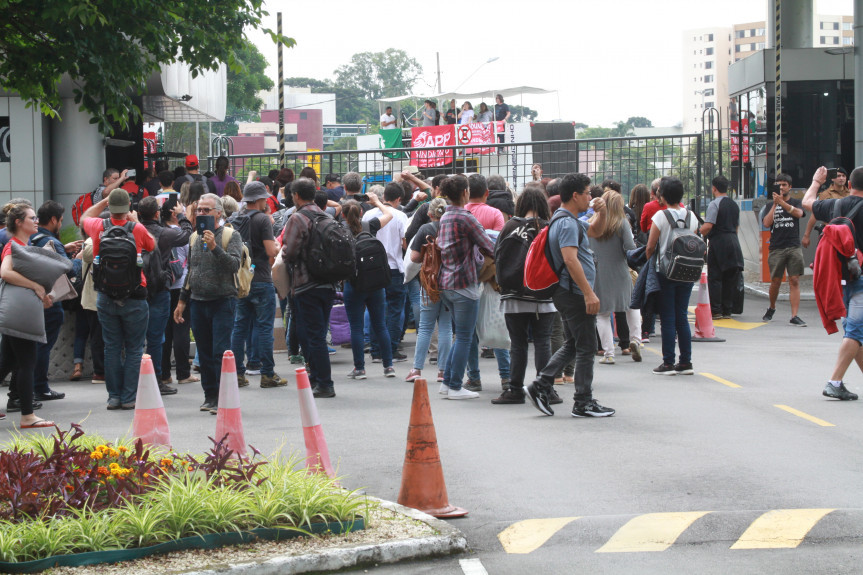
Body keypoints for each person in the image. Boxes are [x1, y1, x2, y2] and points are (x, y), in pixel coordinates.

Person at [525, 173, 614, 418]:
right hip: (574, 293)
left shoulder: (568, 219)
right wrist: (588, 293)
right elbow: (570, 259)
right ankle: (582, 401)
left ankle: (541, 384)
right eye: (587, 193)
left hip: (569, 292)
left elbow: (596, 231)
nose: (590, 197)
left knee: (575, 343)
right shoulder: (566, 223)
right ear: (575, 196)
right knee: (587, 346)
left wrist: (603, 212)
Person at [81, 190, 155, 410]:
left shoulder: (98, 226)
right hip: (134, 295)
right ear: (128, 207)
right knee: (134, 348)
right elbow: (152, 245)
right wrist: (135, 220)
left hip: (105, 295)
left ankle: (113, 397)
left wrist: (103, 201)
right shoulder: (137, 228)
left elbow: (84, 217)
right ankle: (129, 397)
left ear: (109, 207)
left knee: (112, 347)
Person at [173, 194, 242, 413]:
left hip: (223, 301)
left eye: (206, 210)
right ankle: (209, 396)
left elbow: (233, 265)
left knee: (220, 352)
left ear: (218, 213)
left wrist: (214, 247)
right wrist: (182, 301)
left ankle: (223, 397)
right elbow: (191, 271)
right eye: (199, 210)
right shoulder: (194, 237)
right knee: (204, 350)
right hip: (198, 301)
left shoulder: (231, 235)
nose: (201, 213)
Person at [493, 186, 558, 405]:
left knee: (518, 344)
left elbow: (497, 256)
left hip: (513, 295)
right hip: (544, 296)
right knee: (543, 342)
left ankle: (515, 389)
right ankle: (545, 388)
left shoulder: (510, 226)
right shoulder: (549, 228)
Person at [803, 165, 863, 401]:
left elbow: (807, 203)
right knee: (855, 331)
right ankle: (834, 382)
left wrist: (817, 182)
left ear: (849, 185)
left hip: (840, 278)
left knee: (854, 332)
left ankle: (837, 381)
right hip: (861, 277)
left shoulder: (835, 205)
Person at [437, 175, 496, 399]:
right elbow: (488, 246)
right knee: (464, 336)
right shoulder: (466, 218)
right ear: (464, 193)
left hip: (447, 284)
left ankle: (448, 383)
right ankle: (454, 386)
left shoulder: (446, 216)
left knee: (459, 335)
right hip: (464, 283)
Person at [281, 178, 338, 398]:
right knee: (319, 332)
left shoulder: (298, 217)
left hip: (307, 284)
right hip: (328, 282)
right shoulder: (326, 215)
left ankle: (324, 383)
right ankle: (317, 380)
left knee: (313, 336)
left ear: (296, 195)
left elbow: (290, 252)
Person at [0, 205, 55, 428]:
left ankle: (27, 415)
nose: (36, 220)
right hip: (19, 313)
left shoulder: (23, 245)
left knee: (7, 362)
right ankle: (27, 416)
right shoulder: (14, 246)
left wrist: (40, 293)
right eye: (32, 218)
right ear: (19, 223)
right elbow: (5, 272)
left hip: (18, 311)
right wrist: (36, 287)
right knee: (26, 362)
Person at [230, 182, 287, 389]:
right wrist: (278, 245)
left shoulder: (235, 218)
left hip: (241, 280)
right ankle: (267, 374)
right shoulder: (263, 219)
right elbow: (271, 251)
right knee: (264, 327)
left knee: (240, 326)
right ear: (260, 200)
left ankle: (237, 373)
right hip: (261, 277)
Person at [138, 196, 193, 395]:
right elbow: (187, 235)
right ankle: (157, 379)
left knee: (136, 339)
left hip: (138, 288)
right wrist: (182, 216)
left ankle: (136, 381)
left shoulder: (134, 231)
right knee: (157, 337)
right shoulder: (165, 234)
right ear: (156, 214)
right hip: (161, 287)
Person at [28, 201, 81, 405]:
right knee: (43, 345)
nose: (61, 223)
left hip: (32, 299)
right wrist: (77, 258)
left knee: (33, 345)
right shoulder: (51, 242)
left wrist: (63, 249)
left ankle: (30, 387)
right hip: (50, 301)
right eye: (60, 220)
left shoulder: (31, 237)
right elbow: (69, 270)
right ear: (53, 220)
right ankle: (40, 387)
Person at [646, 177, 697, 376]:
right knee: (681, 316)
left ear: (663, 195)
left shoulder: (661, 216)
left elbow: (651, 246)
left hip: (666, 271)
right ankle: (686, 362)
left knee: (667, 317)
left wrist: (648, 261)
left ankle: (668, 362)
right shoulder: (691, 216)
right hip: (687, 271)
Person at [463, 173, 509, 391]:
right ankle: (506, 377)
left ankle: (474, 377)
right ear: (487, 193)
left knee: (469, 330)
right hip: (492, 278)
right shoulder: (496, 213)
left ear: (466, 193)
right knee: (497, 324)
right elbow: (500, 245)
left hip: (467, 277)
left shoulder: (461, 214)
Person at [342, 194, 396, 379]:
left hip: (354, 283)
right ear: (361, 213)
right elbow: (389, 215)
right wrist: (378, 202)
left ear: (343, 215)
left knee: (356, 327)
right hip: (375, 282)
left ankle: (360, 368)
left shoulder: (341, 229)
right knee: (380, 325)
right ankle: (388, 366)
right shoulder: (369, 225)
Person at [590, 191, 642, 364]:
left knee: (603, 314)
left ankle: (608, 353)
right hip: (621, 270)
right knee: (631, 307)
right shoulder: (622, 223)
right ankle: (635, 340)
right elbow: (630, 248)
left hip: (599, 272)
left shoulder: (591, 223)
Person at [405, 198, 452, 384]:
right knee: (446, 327)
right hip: (449, 282)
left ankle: (416, 369)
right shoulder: (451, 228)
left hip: (429, 283)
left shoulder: (425, 229)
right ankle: (443, 371)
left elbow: (415, 257)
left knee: (425, 326)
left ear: (429, 214)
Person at [363, 182, 409, 363]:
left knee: (376, 310)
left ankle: (375, 350)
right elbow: (405, 244)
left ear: (383, 197)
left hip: (373, 268)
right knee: (395, 310)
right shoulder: (400, 216)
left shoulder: (368, 214)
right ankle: (391, 349)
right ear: (398, 199)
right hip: (394, 267)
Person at [761, 173, 807, 326]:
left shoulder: (796, 202)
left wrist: (783, 203)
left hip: (793, 246)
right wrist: (775, 204)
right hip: (777, 248)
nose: (781, 187)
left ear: (790, 187)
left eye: (784, 185)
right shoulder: (769, 205)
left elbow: (799, 214)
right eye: (779, 185)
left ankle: (794, 315)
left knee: (794, 280)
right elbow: (766, 223)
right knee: (775, 281)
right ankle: (772, 307)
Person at [159, 199, 196, 386]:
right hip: (181, 285)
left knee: (165, 331)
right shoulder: (179, 233)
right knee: (181, 328)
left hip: (164, 285)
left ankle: (164, 373)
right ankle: (183, 373)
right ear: (174, 213)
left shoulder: (158, 232)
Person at [700, 176, 744, 319]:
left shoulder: (714, 204)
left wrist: (696, 231)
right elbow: (736, 227)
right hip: (734, 241)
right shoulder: (734, 205)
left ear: (714, 188)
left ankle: (716, 310)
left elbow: (708, 225)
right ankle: (727, 309)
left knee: (716, 276)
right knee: (730, 276)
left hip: (719, 242)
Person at [803, 167, 850, 248]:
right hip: (830, 233)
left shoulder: (851, 193)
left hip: (848, 233)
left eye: (843, 176)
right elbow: (815, 214)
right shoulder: (825, 194)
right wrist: (806, 235)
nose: (841, 178)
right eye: (838, 176)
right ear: (832, 178)